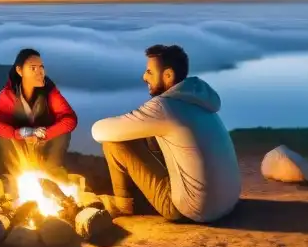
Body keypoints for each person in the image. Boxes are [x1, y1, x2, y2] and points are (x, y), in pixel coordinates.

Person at [91, 44, 241, 223]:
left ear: (168, 75)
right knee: (148, 135)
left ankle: (123, 205)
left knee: (114, 143)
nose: (144, 77)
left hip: (192, 208)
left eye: (149, 72)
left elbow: (99, 132)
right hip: (226, 202)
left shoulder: (165, 107)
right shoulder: (199, 101)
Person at [0, 48, 78, 182]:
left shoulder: (50, 92)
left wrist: (45, 134)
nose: (40, 72)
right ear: (19, 71)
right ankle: (10, 180)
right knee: (3, 135)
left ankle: (52, 176)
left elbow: (69, 119)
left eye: (41, 67)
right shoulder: (9, 94)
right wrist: (19, 133)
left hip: (43, 145)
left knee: (63, 133)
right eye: (33, 68)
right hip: (18, 148)